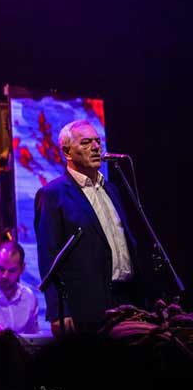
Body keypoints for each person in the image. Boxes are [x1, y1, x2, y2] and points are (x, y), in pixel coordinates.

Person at [34, 120, 142, 337]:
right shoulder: (53, 194)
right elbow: (48, 256)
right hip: (86, 307)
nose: (95, 147)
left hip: (126, 300)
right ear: (67, 152)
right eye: (86, 142)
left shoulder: (111, 189)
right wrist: (57, 310)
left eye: (97, 141)